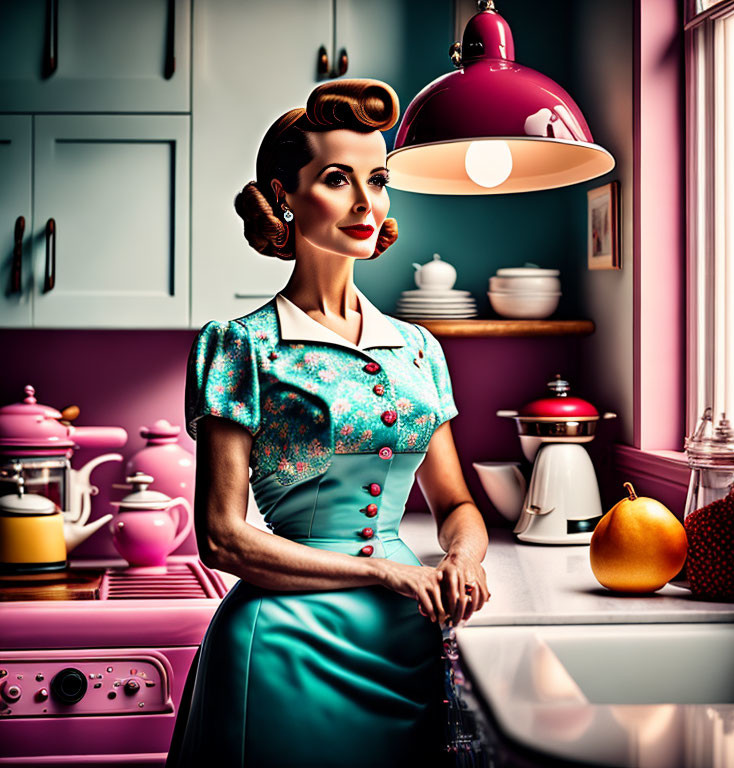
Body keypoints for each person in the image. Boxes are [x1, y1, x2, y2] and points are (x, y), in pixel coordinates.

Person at [166, 78, 490, 768]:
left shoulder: (419, 349)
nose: (366, 202)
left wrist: (461, 559)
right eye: (337, 180)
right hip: (285, 647)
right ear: (284, 194)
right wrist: (390, 577)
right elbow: (222, 540)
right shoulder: (241, 346)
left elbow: (457, 503)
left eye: (378, 179)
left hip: (406, 642)